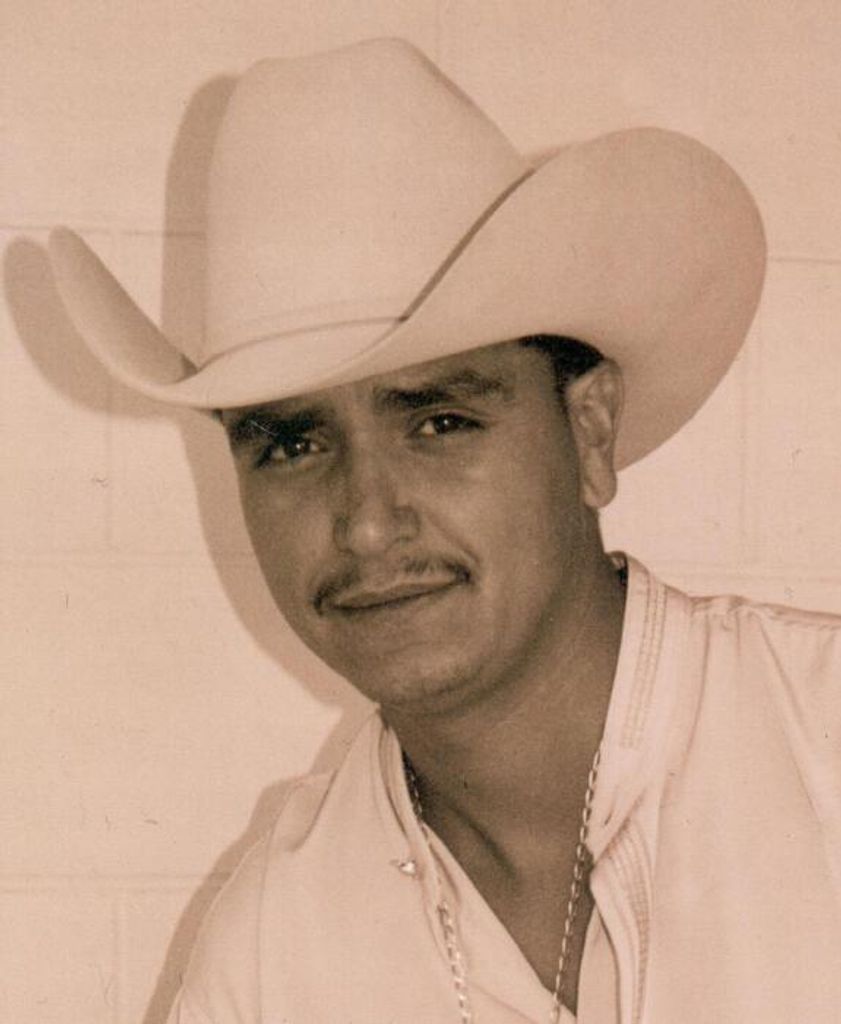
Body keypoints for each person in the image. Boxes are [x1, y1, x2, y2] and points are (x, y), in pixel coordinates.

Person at [48, 37, 841, 1024]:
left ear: (589, 431)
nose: (366, 521)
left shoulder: (819, 745)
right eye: (293, 444)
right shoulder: (273, 950)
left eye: (438, 422)